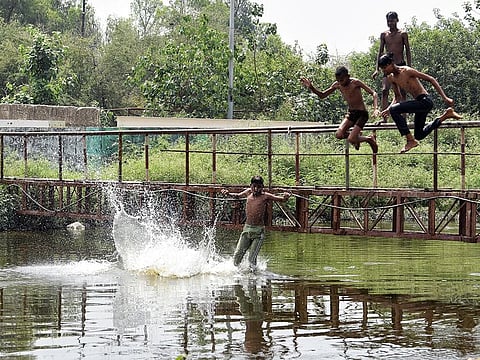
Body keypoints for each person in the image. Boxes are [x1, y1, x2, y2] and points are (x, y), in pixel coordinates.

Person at [378, 53, 462, 153]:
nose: (383, 70)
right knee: (419, 135)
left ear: (391, 63)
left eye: (384, 67)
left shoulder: (407, 71)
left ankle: (410, 140)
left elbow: (431, 79)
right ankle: (446, 115)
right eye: (382, 68)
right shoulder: (391, 78)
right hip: (419, 104)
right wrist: (388, 109)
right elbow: (397, 97)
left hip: (425, 101)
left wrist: (445, 98)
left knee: (394, 110)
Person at [301, 66, 380, 153]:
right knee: (339, 134)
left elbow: (374, 93)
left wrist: (375, 108)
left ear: (348, 76)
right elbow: (322, 95)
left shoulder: (355, 82)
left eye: (341, 80)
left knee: (351, 139)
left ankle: (368, 139)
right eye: (338, 80)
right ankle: (359, 138)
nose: (340, 83)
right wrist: (311, 87)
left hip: (362, 114)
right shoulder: (337, 85)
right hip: (351, 113)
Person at [221, 175, 290, 269]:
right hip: (246, 229)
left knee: (251, 259)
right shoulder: (248, 192)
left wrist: (286, 196)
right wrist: (227, 194)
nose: (256, 189)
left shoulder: (265, 196)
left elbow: (282, 199)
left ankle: (253, 279)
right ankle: (237, 277)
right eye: (254, 186)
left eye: (259, 187)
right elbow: (237, 196)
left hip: (258, 232)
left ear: (262, 187)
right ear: (250, 186)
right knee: (237, 255)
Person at [372, 11, 412, 119]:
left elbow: (407, 50)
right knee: (384, 90)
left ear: (397, 20)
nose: (390, 23)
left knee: (402, 92)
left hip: (400, 65)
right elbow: (380, 52)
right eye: (388, 21)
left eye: (392, 20)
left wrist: (409, 66)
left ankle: (404, 117)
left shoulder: (402, 34)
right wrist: (377, 69)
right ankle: (384, 118)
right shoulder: (384, 35)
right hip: (387, 66)